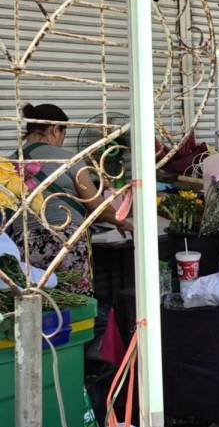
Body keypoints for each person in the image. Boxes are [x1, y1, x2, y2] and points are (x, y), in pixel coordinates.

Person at [10, 104, 132, 295]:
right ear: (54, 129)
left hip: (24, 243)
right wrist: (121, 221)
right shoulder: (69, 159)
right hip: (65, 241)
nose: (62, 141)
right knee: (75, 300)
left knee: (38, 299)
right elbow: (95, 205)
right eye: (63, 134)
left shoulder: (9, 163)